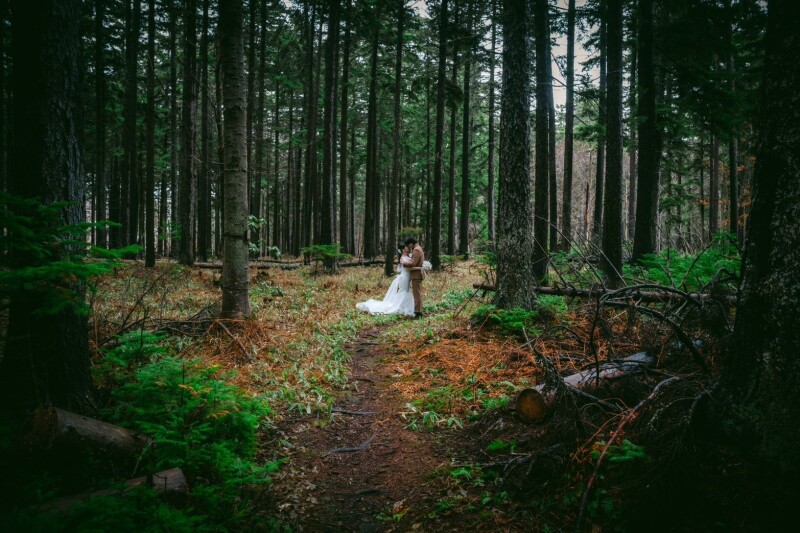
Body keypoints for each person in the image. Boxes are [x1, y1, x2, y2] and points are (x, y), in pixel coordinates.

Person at [356, 244, 416, 317]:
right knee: (403, 291)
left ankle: (404, 306)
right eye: (406, 247)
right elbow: (408, 265)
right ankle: (400, 306)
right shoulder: (403, 258)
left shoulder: (408, 256)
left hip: (407, 276)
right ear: (403, 249)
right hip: (404, 277)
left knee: (406, 291)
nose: (408, 248)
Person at [405, 237, 425, 318]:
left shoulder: (416, 250)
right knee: (417, 292)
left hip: (416, 275)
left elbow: (413, 263)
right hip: (417, 274)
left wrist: (405, 263)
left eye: (408, 245)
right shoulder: (419, 248)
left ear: (411, 243)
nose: (409, 247)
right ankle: (418, 310)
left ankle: (418, 312)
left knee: (417, 293)